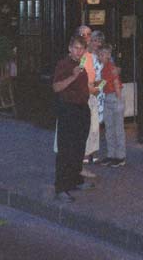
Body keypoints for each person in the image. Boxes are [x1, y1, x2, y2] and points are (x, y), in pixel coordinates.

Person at [52, 35, 93, 202]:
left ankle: (75, 180)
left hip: (82, 108)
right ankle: (61, 188)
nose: (79, 52)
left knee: (78, 147)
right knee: (66, 149)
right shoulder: (64, 64)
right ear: (70, 48)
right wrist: (73, 76)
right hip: (68, 110)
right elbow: (56, 87)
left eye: (81, 49)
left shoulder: (81, 65)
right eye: (76, 48)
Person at [75, 25, 101, 170]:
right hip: (83, 94)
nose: (86, 37)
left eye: (88, 34)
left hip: (93, 93)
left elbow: (100, 75)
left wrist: (99, 86)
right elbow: (79, 73)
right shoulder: (82, 56)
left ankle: (93, 151)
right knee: (84, 125)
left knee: (94, 125)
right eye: (83, 34)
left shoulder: (93, 56)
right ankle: (84, 153)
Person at [98, 44, 126, 168]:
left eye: (102, 54)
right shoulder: (103, 68)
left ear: (108, 55)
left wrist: (119, 99)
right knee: (109, 128)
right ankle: (111, 155)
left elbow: (115, 82)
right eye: (99, 55)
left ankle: (120, 157)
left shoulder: (111, 67)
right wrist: (97, 88)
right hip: (107, 97)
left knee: (118, 128)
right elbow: (105, 82)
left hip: (114, 97)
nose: (100, 57)